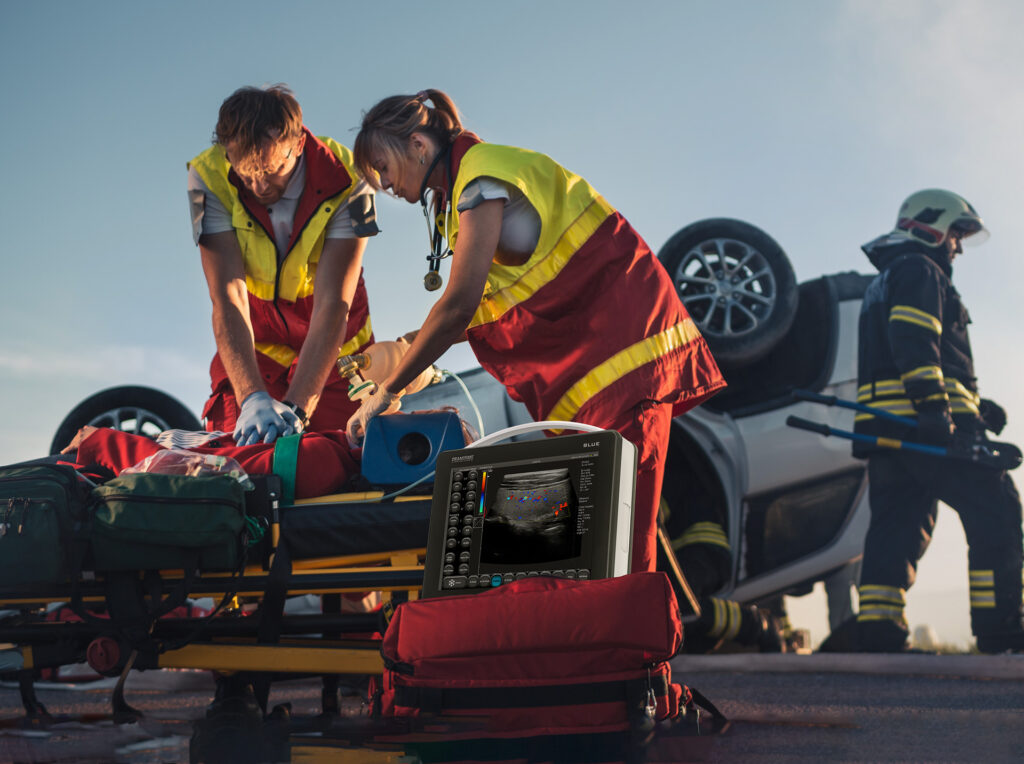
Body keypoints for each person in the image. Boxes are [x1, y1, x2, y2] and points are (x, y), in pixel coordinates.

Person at [348, 89, 726, 572]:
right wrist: (406, 349)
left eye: (382, 166)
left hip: (626, 370)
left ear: (419, 145)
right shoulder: (476, 180)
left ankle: (636, 648)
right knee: (594, 548)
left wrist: (389, 389)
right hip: (607, 377)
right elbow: (500, 303)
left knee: (618, 553)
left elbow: (459, 304)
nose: (383, 184)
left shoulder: (481, 176)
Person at [829, 188, 1023, 653]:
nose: (956, 246)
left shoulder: (890, 277)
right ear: (930, 226)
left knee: (897, 524)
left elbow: (909, 356)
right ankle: (1003, 629)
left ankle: (879, 629)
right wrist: (937, 411)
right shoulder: (921, 269)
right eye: (955, 234)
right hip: (926, 428)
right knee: (995, 508)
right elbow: (915, 340)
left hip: (891, 433)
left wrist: (977, 408)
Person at [187, 85, 379, 447]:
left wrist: (299, 408)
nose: (259, 186)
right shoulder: (206, 176)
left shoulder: (352, 178)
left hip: (339, 353)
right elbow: (228, 297)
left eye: (272, 170)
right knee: (237, 464)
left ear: (299, 144)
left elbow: (332, 305)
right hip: (257, 348)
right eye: (245, 175)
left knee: (357, 457)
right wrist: (251, 398)